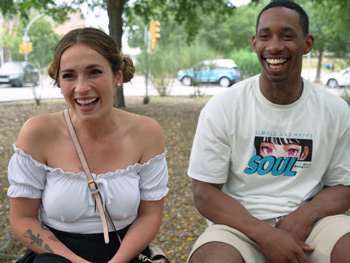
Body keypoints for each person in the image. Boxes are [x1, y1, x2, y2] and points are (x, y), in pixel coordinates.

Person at [187, 1, 350, 263]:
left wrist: (306, 214)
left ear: (307, 43)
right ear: (254, 43)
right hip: (239, 226)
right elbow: (204, 191)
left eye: (287, 36)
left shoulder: (335, 110)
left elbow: (343, 186)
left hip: (313, 224)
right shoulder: (223, 108)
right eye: (265, 36)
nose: (274, 46)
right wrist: (265, 234)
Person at [7, 27, 169, 263]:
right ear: (59, 82)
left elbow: (150, 215)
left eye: (94, 72)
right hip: (55, 255)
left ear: (118, 76)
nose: (81, 88)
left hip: (124, 251)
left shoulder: (146, 132)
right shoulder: (38, 133)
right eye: (69, 75)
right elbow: (23, 219)